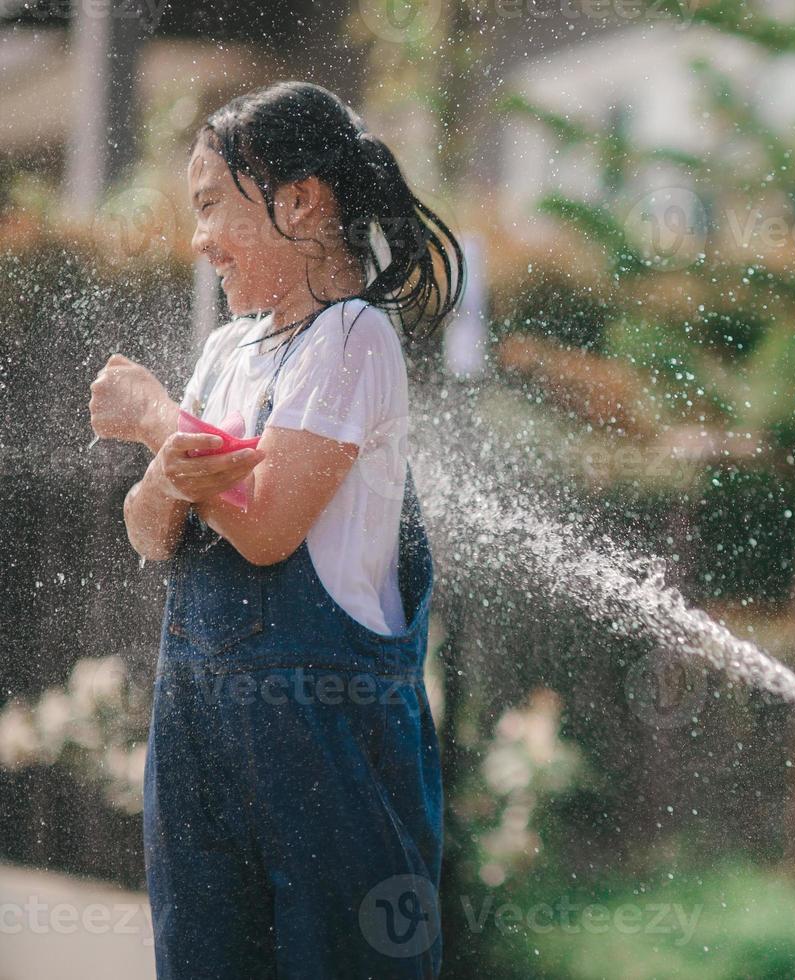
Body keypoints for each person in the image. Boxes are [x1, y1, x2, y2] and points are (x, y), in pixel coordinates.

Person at [86, 81, 464, 979]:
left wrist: (153, 419)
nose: (198, 238)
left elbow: (266, 530)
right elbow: (148, 529)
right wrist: (171, 463)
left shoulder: (354, 337)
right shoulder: (229, 349)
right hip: (200, 745)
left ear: (299, 201)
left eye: (213, 204)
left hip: (328, 754)